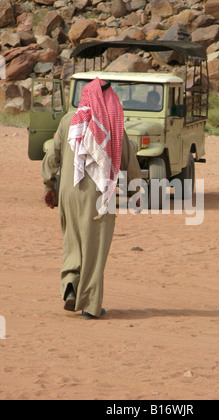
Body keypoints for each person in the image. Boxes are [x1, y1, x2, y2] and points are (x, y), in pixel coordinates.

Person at [41, 78, 142, 320]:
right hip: (98, 197)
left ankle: (70, 287)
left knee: (72, 240)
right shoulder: (113, 123)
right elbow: (128, 160)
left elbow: (51, 157)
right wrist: (135, 191)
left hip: (68, 191)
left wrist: (49, 185)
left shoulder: (68, 120)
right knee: (94, 249)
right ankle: (90, 305)